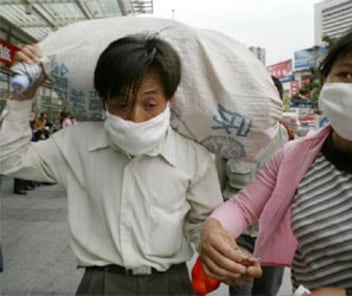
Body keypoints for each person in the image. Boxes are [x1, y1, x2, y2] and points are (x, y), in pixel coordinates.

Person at [199, 24, 352, 296]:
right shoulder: (296, 155)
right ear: (325, 82)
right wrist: (214, 230)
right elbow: (243, 205)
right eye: (346, 74)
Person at [0, 33, 223, 295]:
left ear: (169, 101)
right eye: (122, 103)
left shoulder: (193, 156)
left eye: (150, 104)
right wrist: (21, 97)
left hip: (170, 283)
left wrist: (213, 240)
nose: (135, 118)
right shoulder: (76, 144)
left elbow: (204, 220)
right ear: (105, 101)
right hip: (102, 284)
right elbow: (9, 159)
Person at [216, 76, 287, 296]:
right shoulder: (230, 138)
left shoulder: (288, 139)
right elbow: (218, 187)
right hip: (239, 235)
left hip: (272, 234)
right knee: (240, 292)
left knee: (267, 292)